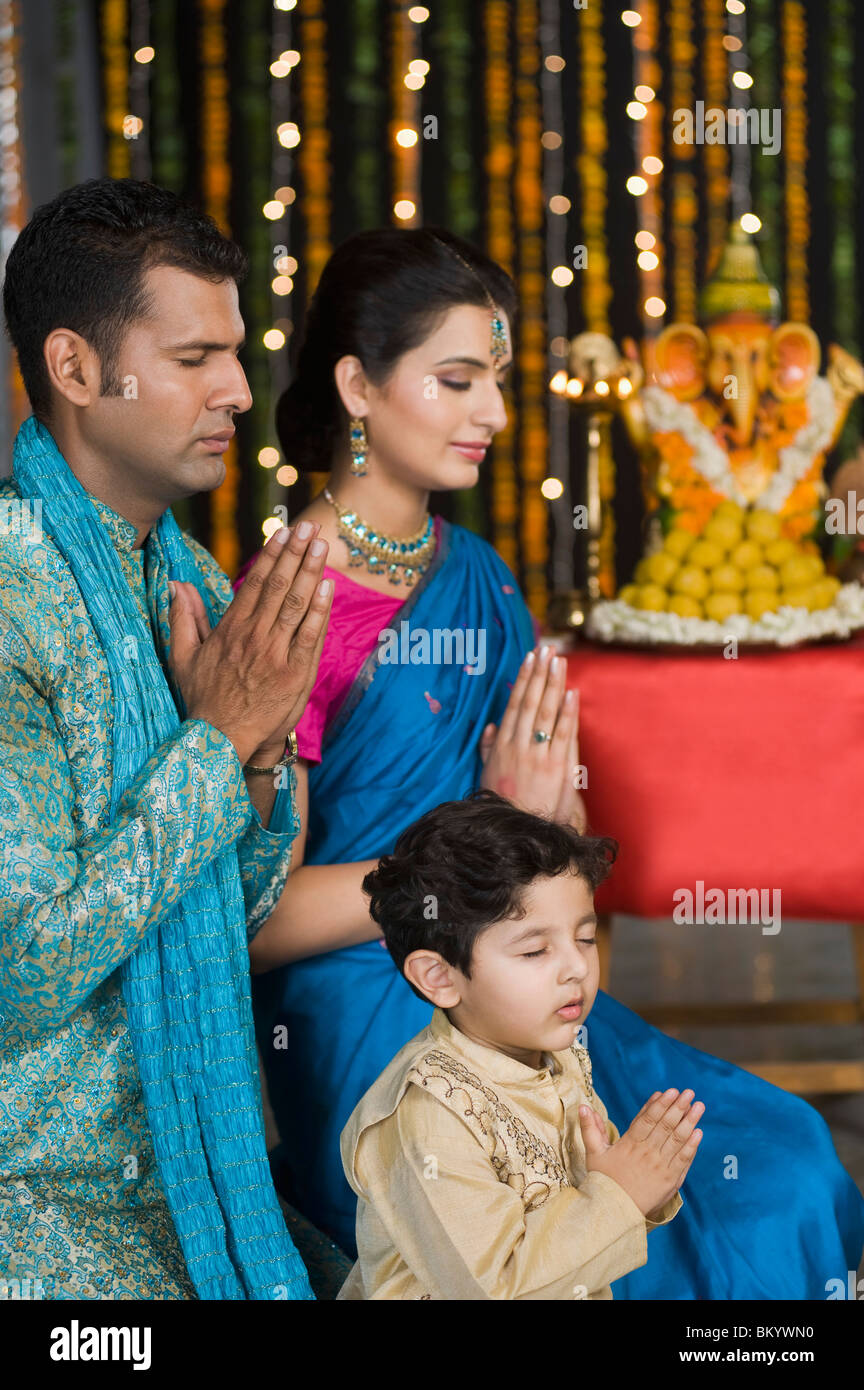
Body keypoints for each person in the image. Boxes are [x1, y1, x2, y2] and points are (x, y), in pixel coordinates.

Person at [237, 225, 864, 1297]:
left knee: (788, 1158)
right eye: (457, 380)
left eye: (499, 382)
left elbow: (549, 835)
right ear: (357, 384)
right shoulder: (295, 597)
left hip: (518, 981)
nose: (491, 413)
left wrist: (542, 827)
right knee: (628, 1246)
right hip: (384, 1007)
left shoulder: (476, 576)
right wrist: (488, 820)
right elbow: (261, 920)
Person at [0, 177, 334, 1300]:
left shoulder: (186, 577)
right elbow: (21, 965)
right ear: (79, 369)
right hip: (37, 1197)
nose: (239, 390)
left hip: (191, 1168)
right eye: (196, 358)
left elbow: (228, 912)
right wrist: (221, 738)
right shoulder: (9, 590)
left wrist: (251, 755)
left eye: (236, 353)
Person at [338, 789, 698, 1300]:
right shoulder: (429, 1116)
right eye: (534, 951)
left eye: (585, 938)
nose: (576, 967)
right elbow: (494, 1288)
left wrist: (641, 1180)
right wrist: (621, 1196)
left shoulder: (556, 1053)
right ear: (439, 977)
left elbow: (588, 1213)